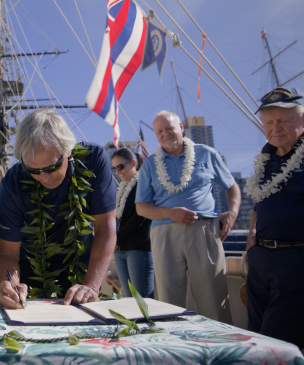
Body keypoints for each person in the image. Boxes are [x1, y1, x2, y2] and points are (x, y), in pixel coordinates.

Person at [0, 109, 117, 309]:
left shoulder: (94, 160)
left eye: (52, 167)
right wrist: (11, 285)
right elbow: (8, 252)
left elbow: (106, 227)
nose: (44, 178)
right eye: (33, 170)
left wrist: (92, 286)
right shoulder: (13, 181)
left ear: (68, 150)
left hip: (82, 262)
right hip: (31, 265)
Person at [135, 110, 240, 324]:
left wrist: (233, 213)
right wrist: (170, 213)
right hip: (164, 233)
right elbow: (141, 207)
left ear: (181, 127)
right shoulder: (149, 164)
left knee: (213, 295)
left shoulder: (206, 154)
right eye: (160, 131)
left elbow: (232, 187)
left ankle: (220, 350)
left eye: (170, 128)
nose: (166, 134)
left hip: (204, 230)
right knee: (167, 299)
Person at [245, 87, 304, 349]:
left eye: (283, 120)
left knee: (275, 344)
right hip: (261, 259)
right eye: (268, 122)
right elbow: (260, 203)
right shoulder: (265, 158)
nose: (274, 128)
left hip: (295, 260)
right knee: (256, 335)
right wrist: (251, 236)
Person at [111, 148, 153, 298]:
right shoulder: (122, 189)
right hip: (120, 249)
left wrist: (116, 239)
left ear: (133, 163)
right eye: (114, 168)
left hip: (137, 248)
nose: (118, 172)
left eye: (120, 167)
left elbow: (138, 218)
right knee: (128, 299)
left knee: (142, 299)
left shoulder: (143, 183)